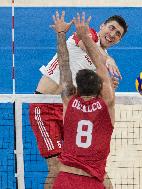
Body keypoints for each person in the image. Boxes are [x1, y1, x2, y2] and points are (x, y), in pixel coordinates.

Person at [29, 11, 127, 188]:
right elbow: (86, 43)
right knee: (56, 168)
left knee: (94, 169)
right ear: (102, 26)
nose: (112, 34)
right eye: (111, 28)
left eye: (118, 34)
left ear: (119, 40)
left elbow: (92, 93)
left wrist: (108, 87)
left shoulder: (100, 64)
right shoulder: (89, 34)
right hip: (45, 107)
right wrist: (109, 59)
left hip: (71, 111)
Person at [49, 11, 115, 189]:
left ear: (77, 88)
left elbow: (64, 65)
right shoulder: (106, 104)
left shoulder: (69, 101)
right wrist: (87, 38)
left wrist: (61, 33)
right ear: (101, 88)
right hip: (91, 182)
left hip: (65, 180)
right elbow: (102, 67)